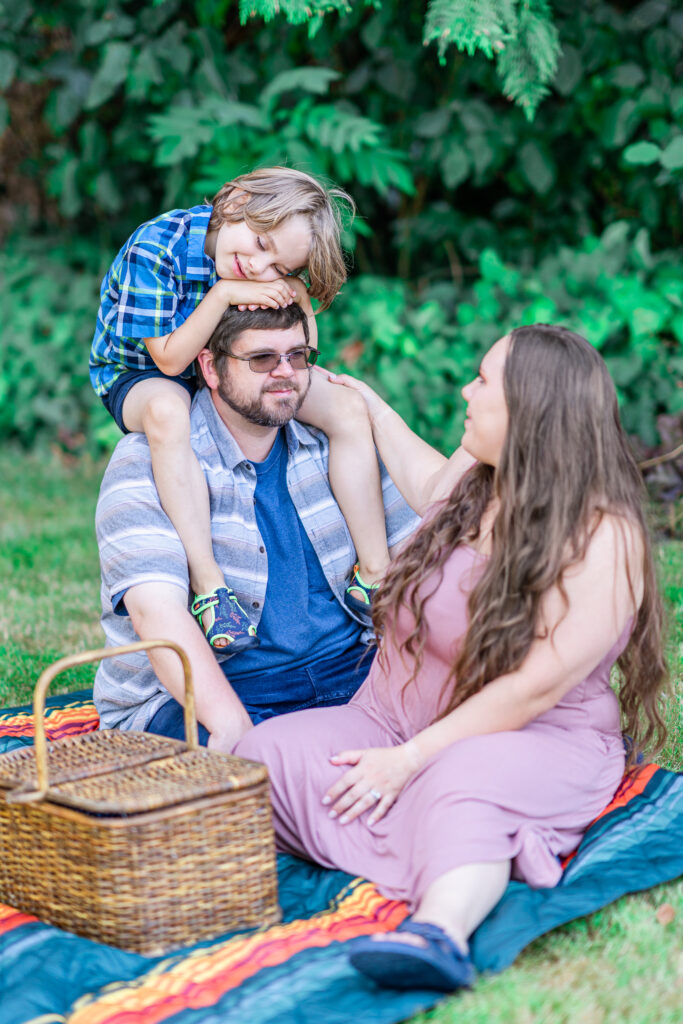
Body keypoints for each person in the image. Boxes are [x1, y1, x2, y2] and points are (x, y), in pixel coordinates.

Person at [235, 324, 668, 993]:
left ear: (529, 410)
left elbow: (532, 690)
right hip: (392, 719)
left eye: (483, 380)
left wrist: (410, 762)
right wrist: (371, 410)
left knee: (457, 782)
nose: (466, 389)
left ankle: (436, 930)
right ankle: (416, 836)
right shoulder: (476, 478)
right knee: (259, 758)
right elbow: (418, 478)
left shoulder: (601, 536)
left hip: (530, 737)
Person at [94, 301, 419, 754]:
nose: (285, 372)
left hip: (350, 671)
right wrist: (234, 730)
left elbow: (420, 556)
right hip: (217, 692)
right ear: (210, 367)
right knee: (269, 778)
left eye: (298, 356)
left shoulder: (341, 444)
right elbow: (157, 615)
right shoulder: (145, 461)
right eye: (262, 359)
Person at [90, 167, 391, 653]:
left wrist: (298, 299)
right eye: (260, 243)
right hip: (139, 374)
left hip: (226, 367)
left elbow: (306, 347)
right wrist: (225, 293)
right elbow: (168, 358)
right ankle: (210, 587)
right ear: (235, 202)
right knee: (170, 412)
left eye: (278, 266)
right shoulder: (156, 247)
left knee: (346, 407)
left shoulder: (259, 263)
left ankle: (374, 574)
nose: (258, 266)